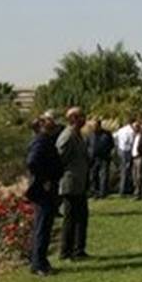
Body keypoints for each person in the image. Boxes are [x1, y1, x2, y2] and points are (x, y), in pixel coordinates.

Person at [25, 111, 63, 276]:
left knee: (44, 225)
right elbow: (32, 162)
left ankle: (39, 261)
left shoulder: (44, 139)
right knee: (42, 226)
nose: (53, 124)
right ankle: (39, 263)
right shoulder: (41, 141)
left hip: (46, 187)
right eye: (49, 121)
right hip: (43, 189)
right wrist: (44, 179)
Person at [56, 106, 90, 261]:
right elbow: (60, 158)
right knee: (70, 218)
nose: (84, 119)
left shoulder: (77, 135)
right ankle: (65, 251)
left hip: (79, 183)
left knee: (81, 217)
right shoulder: (68, 136)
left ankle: (78, 249)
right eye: (82, 116)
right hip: (70, 183)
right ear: (74, 118)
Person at [87, 118, 113, 198]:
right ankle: (94, 192)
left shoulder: (107, 134)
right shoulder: (90, 135)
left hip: (104, 158)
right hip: (93, 158)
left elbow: (111, 144)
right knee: (93, 175)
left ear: (99, 125)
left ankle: (103, 193)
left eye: (95, 125)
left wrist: (107, 152)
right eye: (93, 126)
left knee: (103, 176)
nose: (94, 127)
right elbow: (87, 145)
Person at [115, 117, 136, 196]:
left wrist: (117, 146)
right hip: (127, 151)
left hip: (120, 150)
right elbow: (131, 142)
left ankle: (123, 188)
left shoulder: (121, 130)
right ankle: (124, 189)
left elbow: (115, 136)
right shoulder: (131, 131)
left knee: (123, 170)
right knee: (126, 171)